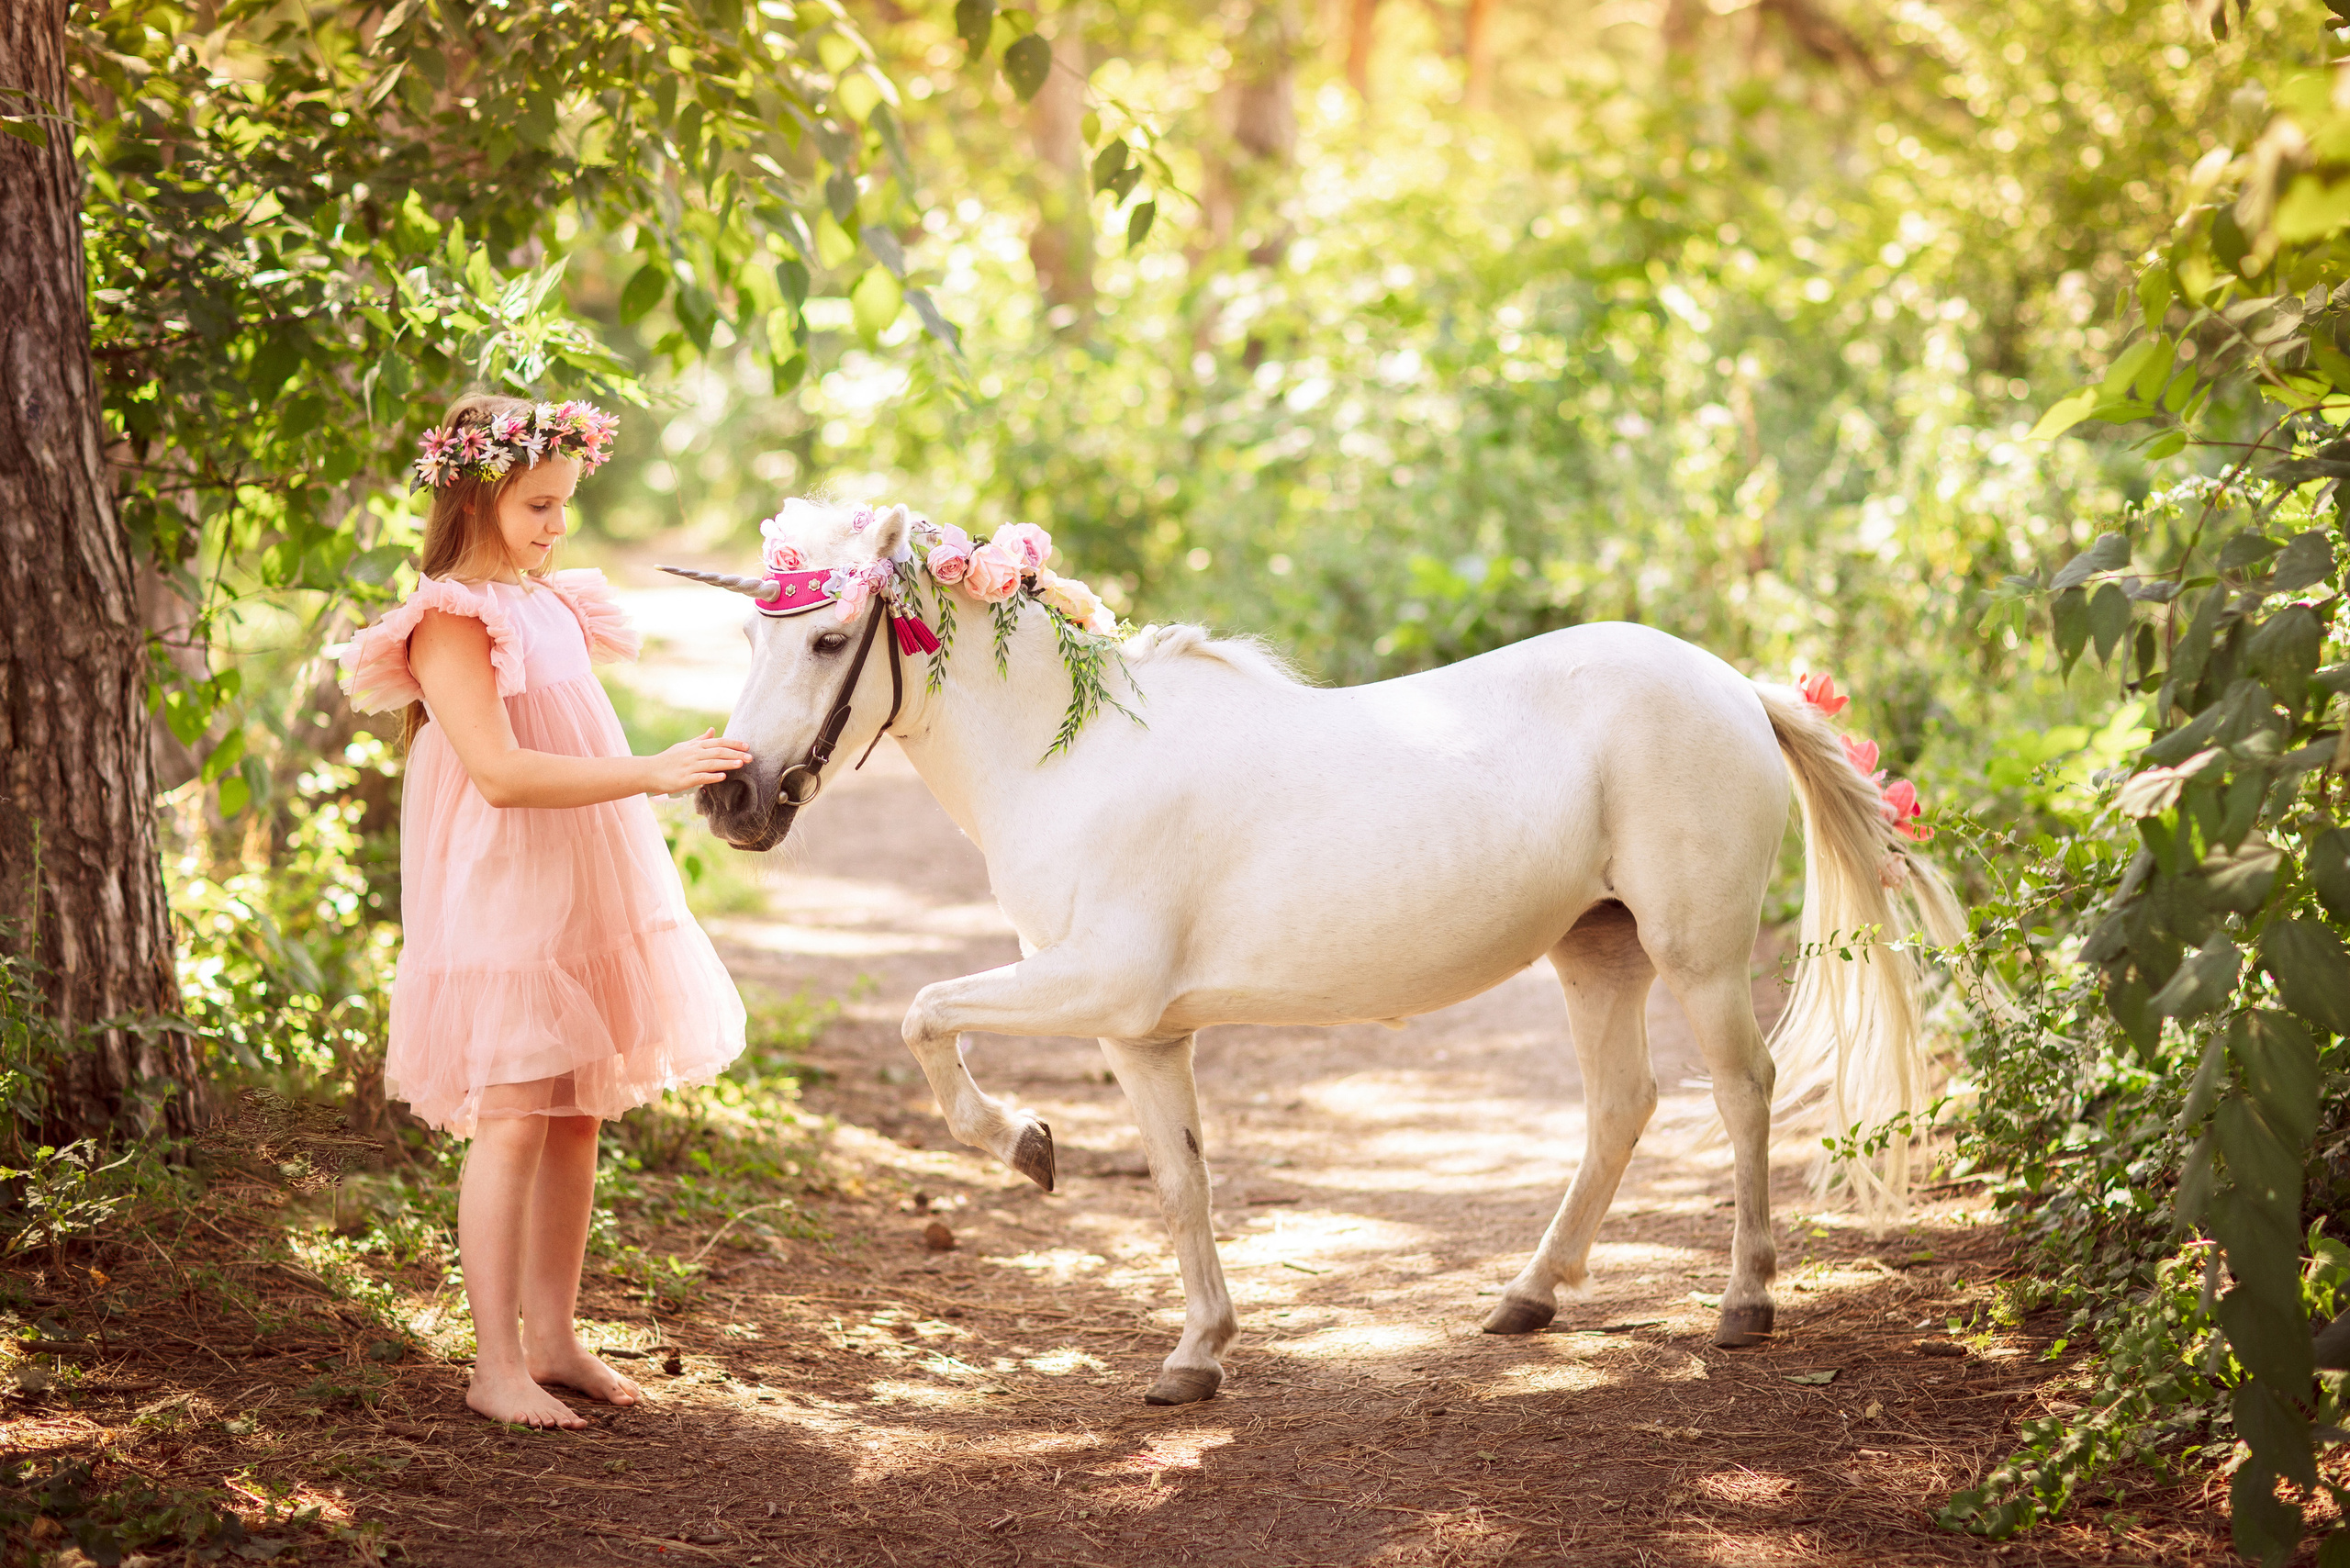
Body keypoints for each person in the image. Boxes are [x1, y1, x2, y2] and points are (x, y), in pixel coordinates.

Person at [341, 392, 751, 1428]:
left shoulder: (550, 601)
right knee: (516, 1116)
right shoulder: (448, 616)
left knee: (575, 1117)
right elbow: (500, 772)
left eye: (565, 505)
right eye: (537, 506)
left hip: (579, 871)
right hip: (503, 880)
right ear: (475, 496)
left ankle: (555, 1333)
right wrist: (650, 770)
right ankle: (494, 1361)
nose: (556, 527)